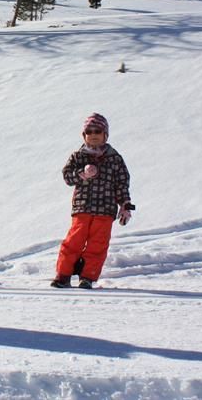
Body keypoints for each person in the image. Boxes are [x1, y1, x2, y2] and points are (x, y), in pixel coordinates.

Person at [51, 113, 134, 289]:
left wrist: (125, 205)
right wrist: (81, 173)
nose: (93, 134)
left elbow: (121, 184)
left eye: (98, 131)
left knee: (98, 244)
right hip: (82, 207)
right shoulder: (78, 156)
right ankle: (63, 275)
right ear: (84, 135)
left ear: (105, 135)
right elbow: (67, 177)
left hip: (105, 210)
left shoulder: (115, 159)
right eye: (89, 131)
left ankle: (87, 277)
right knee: (74, 241)